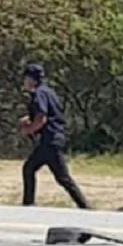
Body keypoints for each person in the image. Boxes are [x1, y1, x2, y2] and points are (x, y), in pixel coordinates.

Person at [19, 63, 89, 209]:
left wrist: (29, 129)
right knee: (62, 177)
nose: (24, 81)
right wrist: (29, 119)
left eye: (26, 78)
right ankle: (84, 206)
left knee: (30, 168)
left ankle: (28, 204)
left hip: (49, 139)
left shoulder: (39, 93)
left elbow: (42, 118)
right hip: (55, 138)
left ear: (32, 79)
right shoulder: (48, 92)